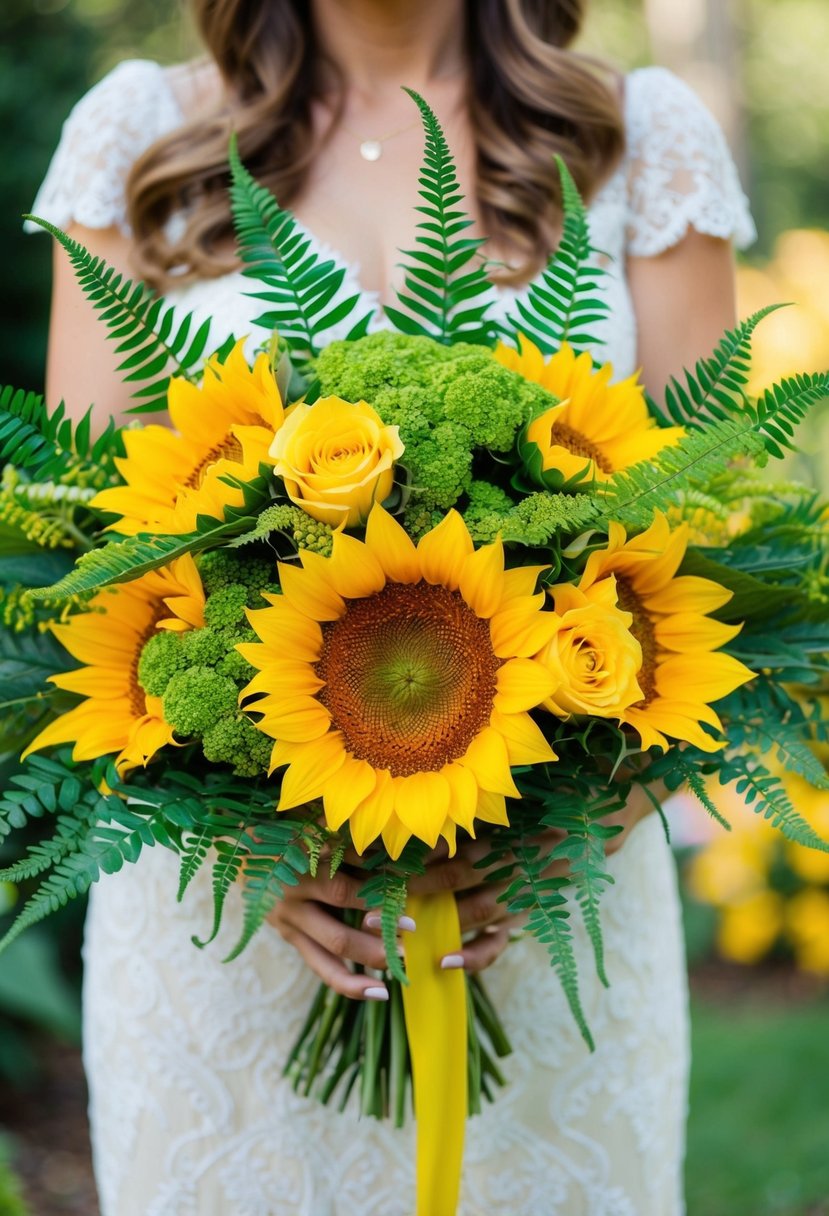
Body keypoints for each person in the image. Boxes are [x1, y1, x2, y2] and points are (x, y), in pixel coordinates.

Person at [29, 1, 755, 1212]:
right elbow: (84, 561)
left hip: (546, 925)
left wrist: (590, 809)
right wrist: (254, 852)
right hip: (222, 937)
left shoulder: (640, 136)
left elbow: (722, 551)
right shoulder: (139, 137)